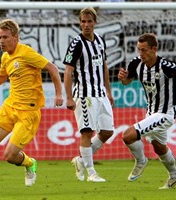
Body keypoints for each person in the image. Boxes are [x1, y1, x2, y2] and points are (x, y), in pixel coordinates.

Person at [0, 19, 63, 193]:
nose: (1, 41)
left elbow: (52, 68)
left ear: (15, 37)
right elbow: (2, 76)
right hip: (10, 107)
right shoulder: (6, 56)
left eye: (5, 37)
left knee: (10, 156)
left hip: (28, 112)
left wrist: (59, 94)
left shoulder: (27, 53)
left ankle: (30, 163)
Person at [117, 33, 176, 189]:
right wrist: (122, 78)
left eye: (144, 50)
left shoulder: (166, 66)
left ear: (154, 49)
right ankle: (175, 176)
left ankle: (141, 161)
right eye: (139, 50)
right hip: (150, 113)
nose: (141, 54)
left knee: (128, 136)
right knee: (159, 147)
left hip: (166, 114)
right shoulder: (136, 63)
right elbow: (126, 82)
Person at [63, 7, 114, 182]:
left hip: (101, 93)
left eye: (89, 21)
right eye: (83, 22)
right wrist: (68, 97)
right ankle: (91, 173)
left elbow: (104, 66)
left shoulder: (100, 40)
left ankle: (80, 160)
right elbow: (68, 71)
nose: (86, 25)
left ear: (95, 22)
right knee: (87, 132)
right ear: (80, 23)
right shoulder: (76, 44)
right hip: (84, 94)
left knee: (107, 131)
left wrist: (108, 90)